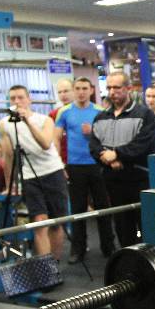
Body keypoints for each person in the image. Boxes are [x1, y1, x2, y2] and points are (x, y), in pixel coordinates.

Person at [88, 71, 155, 248]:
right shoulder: (101, 117)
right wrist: (106, 157)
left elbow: (143, 144)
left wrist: (118, 154)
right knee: (122, 226)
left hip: (139, 180)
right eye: (109, 88)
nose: (112, 92)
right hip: (112, 180)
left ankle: (146, 259)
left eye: (117, 87)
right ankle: (127, 258)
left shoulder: (144, 114)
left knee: (144, 226)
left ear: (128, 88)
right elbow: (94, 144)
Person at [0, 85, 68, 259]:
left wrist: (27, 122)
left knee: (56, 223)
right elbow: (8, 156)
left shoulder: (45, 120)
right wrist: (9, 185)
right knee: (39, 223)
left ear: (28, 100)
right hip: (30, 176)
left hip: (52, 171)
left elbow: (45, 143)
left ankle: (55, 263)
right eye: (13, 98)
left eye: (20, 97)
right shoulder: (5, 124)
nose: (17, 102)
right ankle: (46, 268)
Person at [56, 77, 115, 263]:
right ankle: (78, 249)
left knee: (103, 207)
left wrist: (93, 132)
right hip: (75, 166)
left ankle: (108, 247)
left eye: (84, 88)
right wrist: (60, 165)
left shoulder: (100, 111)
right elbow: (55, 139)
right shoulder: (64, 112)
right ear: (74, 90)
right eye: (78, 88)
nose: (81, 92)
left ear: (91, 90)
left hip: (98, 164)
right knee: (78, 209)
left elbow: (110, 138)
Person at [50, 78, 74, 164]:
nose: (63, 95)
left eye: (66, 91)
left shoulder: (86, 112)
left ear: (74, 91)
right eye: (59, 92)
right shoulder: (53, 114)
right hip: (62, 161)